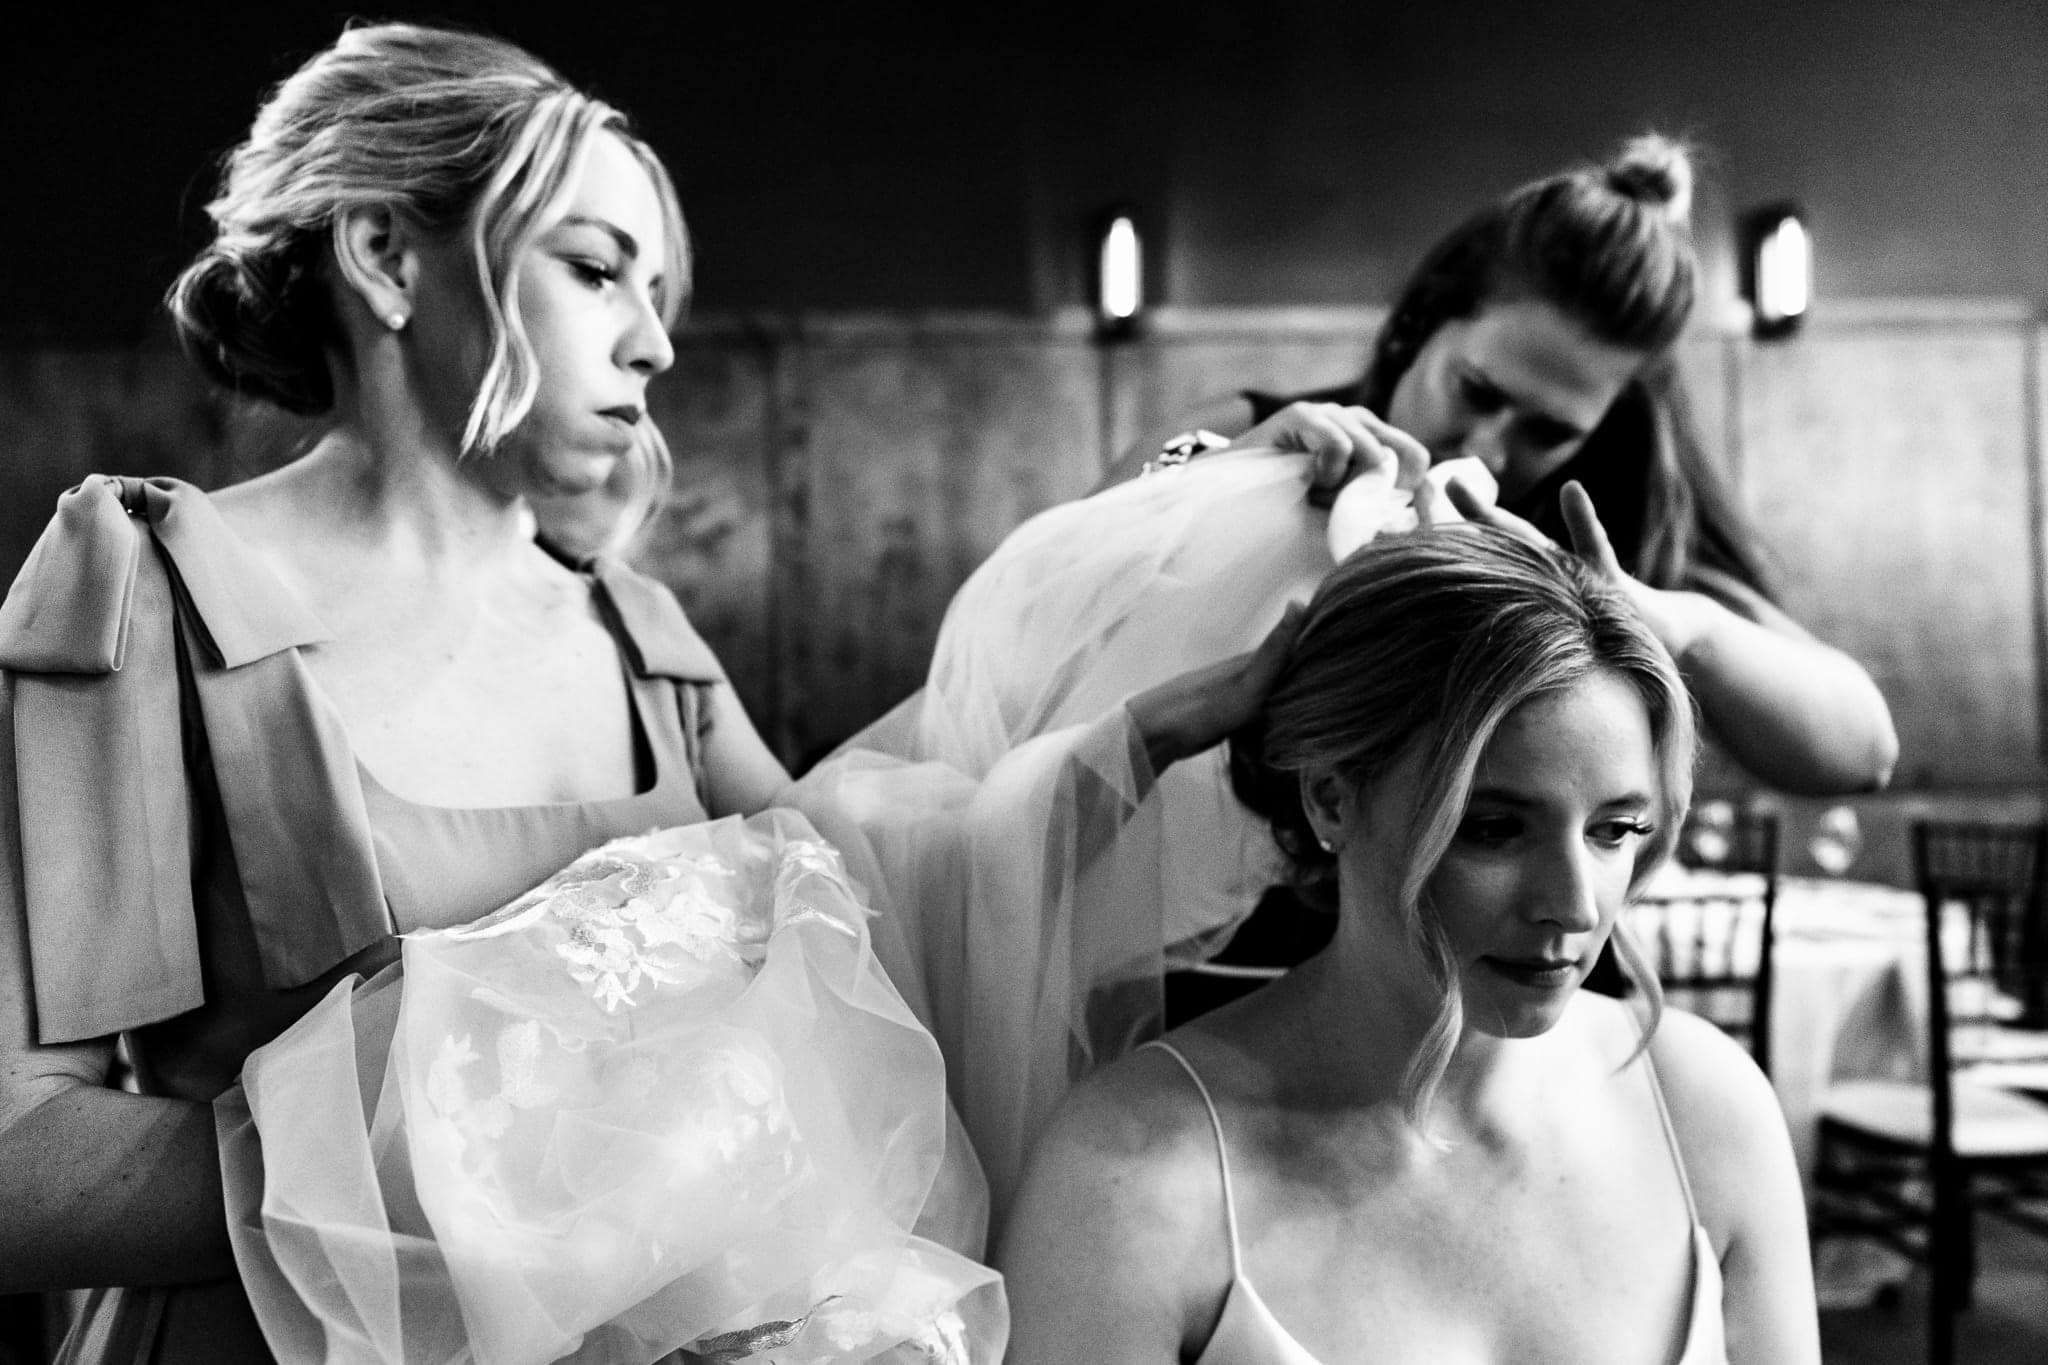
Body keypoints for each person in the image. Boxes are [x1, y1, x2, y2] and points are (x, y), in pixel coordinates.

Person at [0, 22, 1272, 1362]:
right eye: (597, 270)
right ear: (385, 258)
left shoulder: (645, 639)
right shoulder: (151, 598)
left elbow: (902, 915)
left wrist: (1193, 584)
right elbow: (19, 1165)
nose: (657, 344)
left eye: (657, 289)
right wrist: (513, 1162)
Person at [998, 528, 1821, 1364]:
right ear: (1330, 799)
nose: (1573, 904)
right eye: (1494, 829)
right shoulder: (1130, 1174)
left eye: (1616, 829)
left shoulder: (1706, 1107)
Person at [1115, 134, 1897, 799]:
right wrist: (1233, 485)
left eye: (1550, 431)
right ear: (1424, 322)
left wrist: (1680, 626)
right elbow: (1032, 630)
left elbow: (1866, 751)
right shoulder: (1247, 431)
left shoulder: (1589, 533)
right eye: (1478, 391)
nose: (1486, 451)